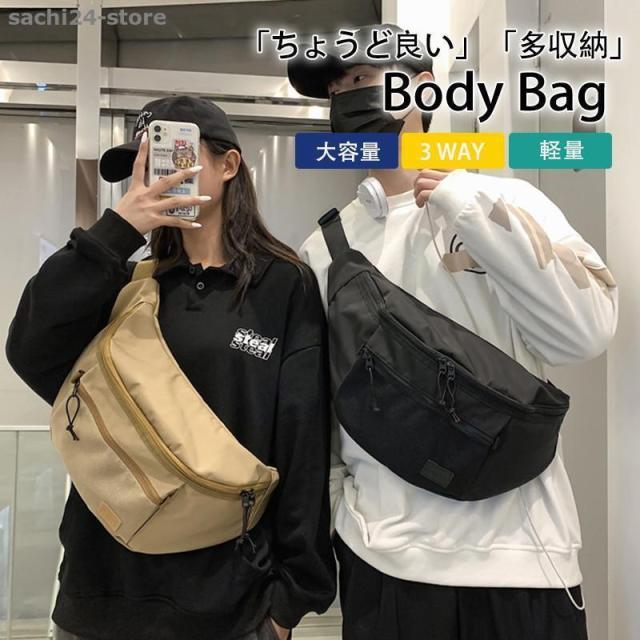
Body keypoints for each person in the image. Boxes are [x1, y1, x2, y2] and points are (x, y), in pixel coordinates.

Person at [288, 23, 618, 640]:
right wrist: (338, 523)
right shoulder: (324, 248)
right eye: (335, 88)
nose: (347, 96)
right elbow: (328, 409)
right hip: (384, 564)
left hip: (522, 561)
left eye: (362, 76)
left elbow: (586, 333)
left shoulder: (503, 199)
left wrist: (467, 205)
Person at [5, 96, 336, 640]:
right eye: (143, 165)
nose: (157, 176)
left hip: (229, 604)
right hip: (99, 595)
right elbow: (29, 349)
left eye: (171, 156)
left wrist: (289, 601)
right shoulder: (123, 282)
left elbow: (303, 440)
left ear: (229, 165)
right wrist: (118, 229)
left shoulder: (282, 286)